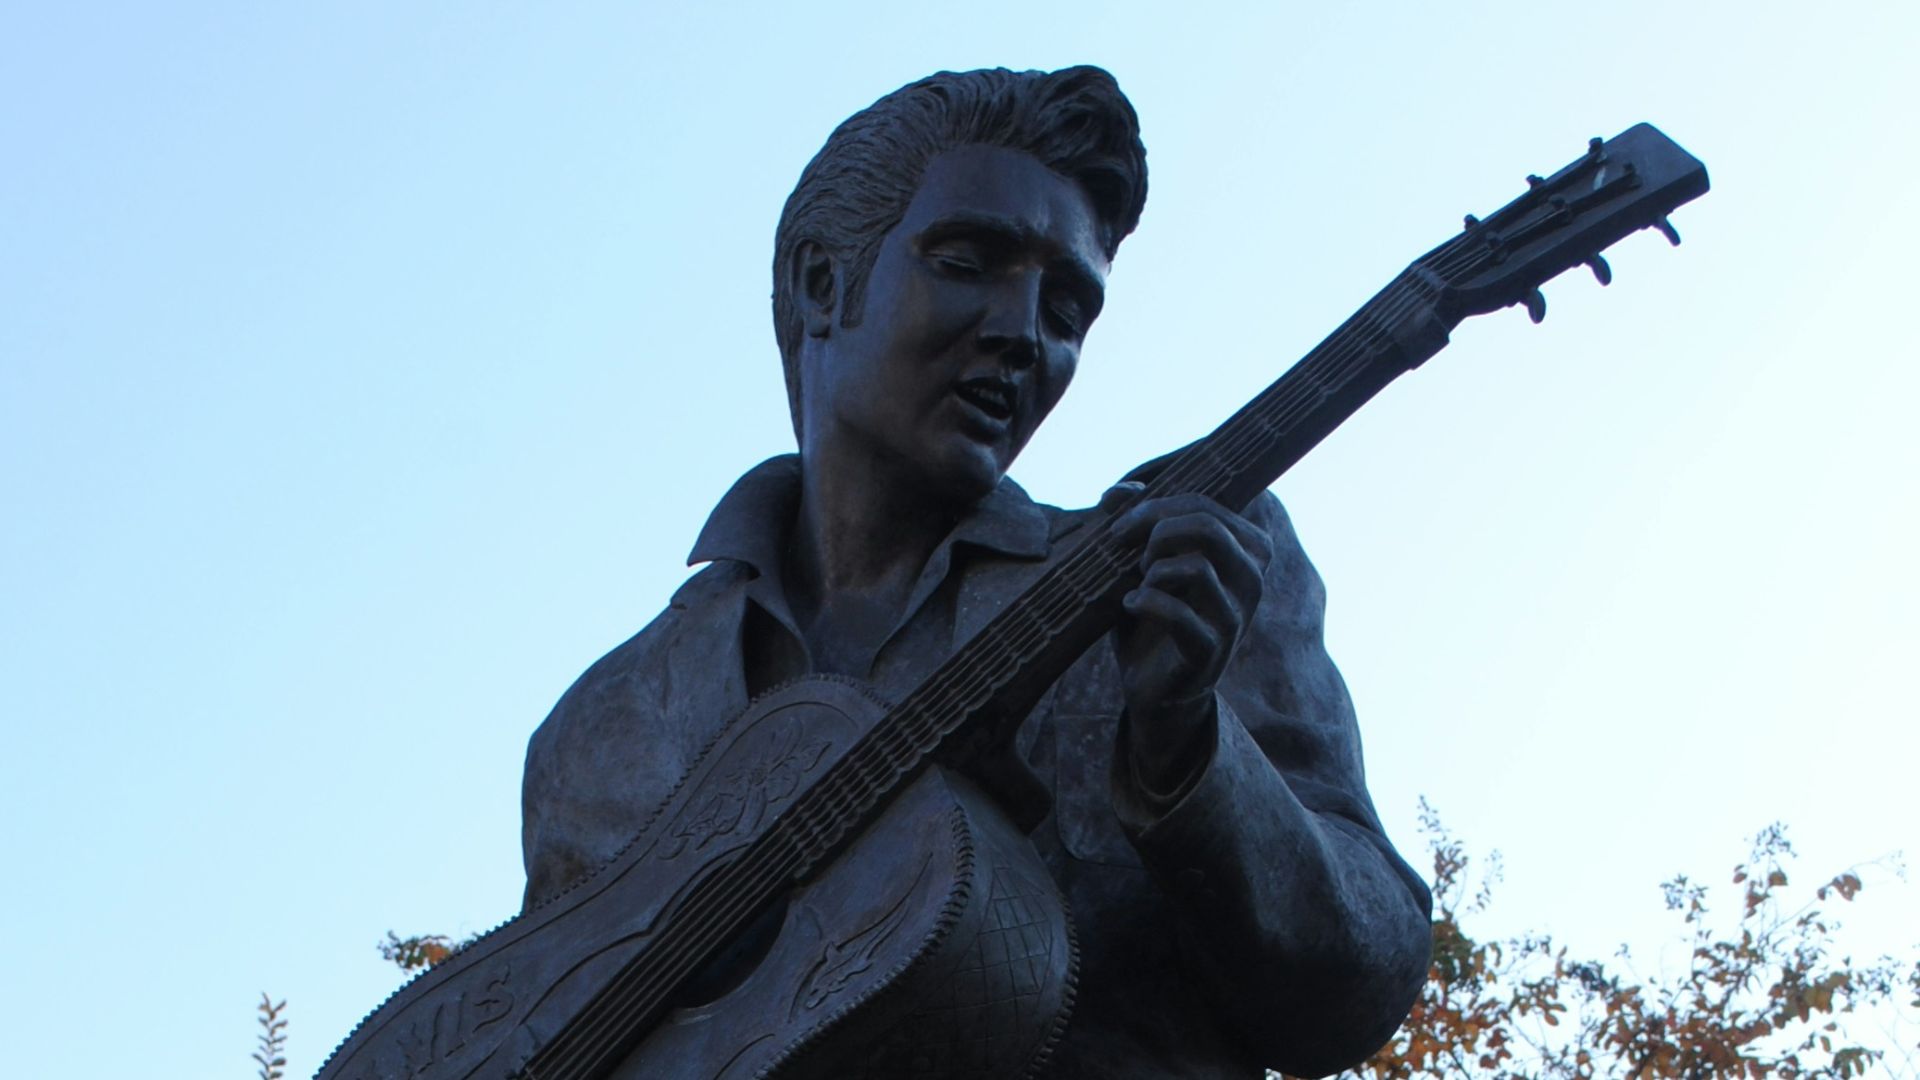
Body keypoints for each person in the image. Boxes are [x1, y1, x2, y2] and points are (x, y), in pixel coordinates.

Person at [519, 66, 1431, 1079]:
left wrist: (1187, 754)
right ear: (825, 285)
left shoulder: (1176, 578)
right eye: (968, 261)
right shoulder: (607, 728)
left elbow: (1355, 988)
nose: (1024, 331)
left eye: (1070, 307)